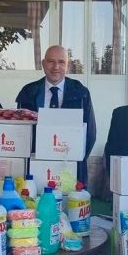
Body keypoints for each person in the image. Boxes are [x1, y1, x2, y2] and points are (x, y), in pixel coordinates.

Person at [15, 45, 97, 183]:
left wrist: (75, 157)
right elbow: (21, 132)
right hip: (36, 166)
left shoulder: (80, 92)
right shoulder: (29, 92)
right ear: (43, 64)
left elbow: (90, 134)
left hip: (71, 167)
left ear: (68, 65)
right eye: (51, 61)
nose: (56, 67)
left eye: (61, 62)